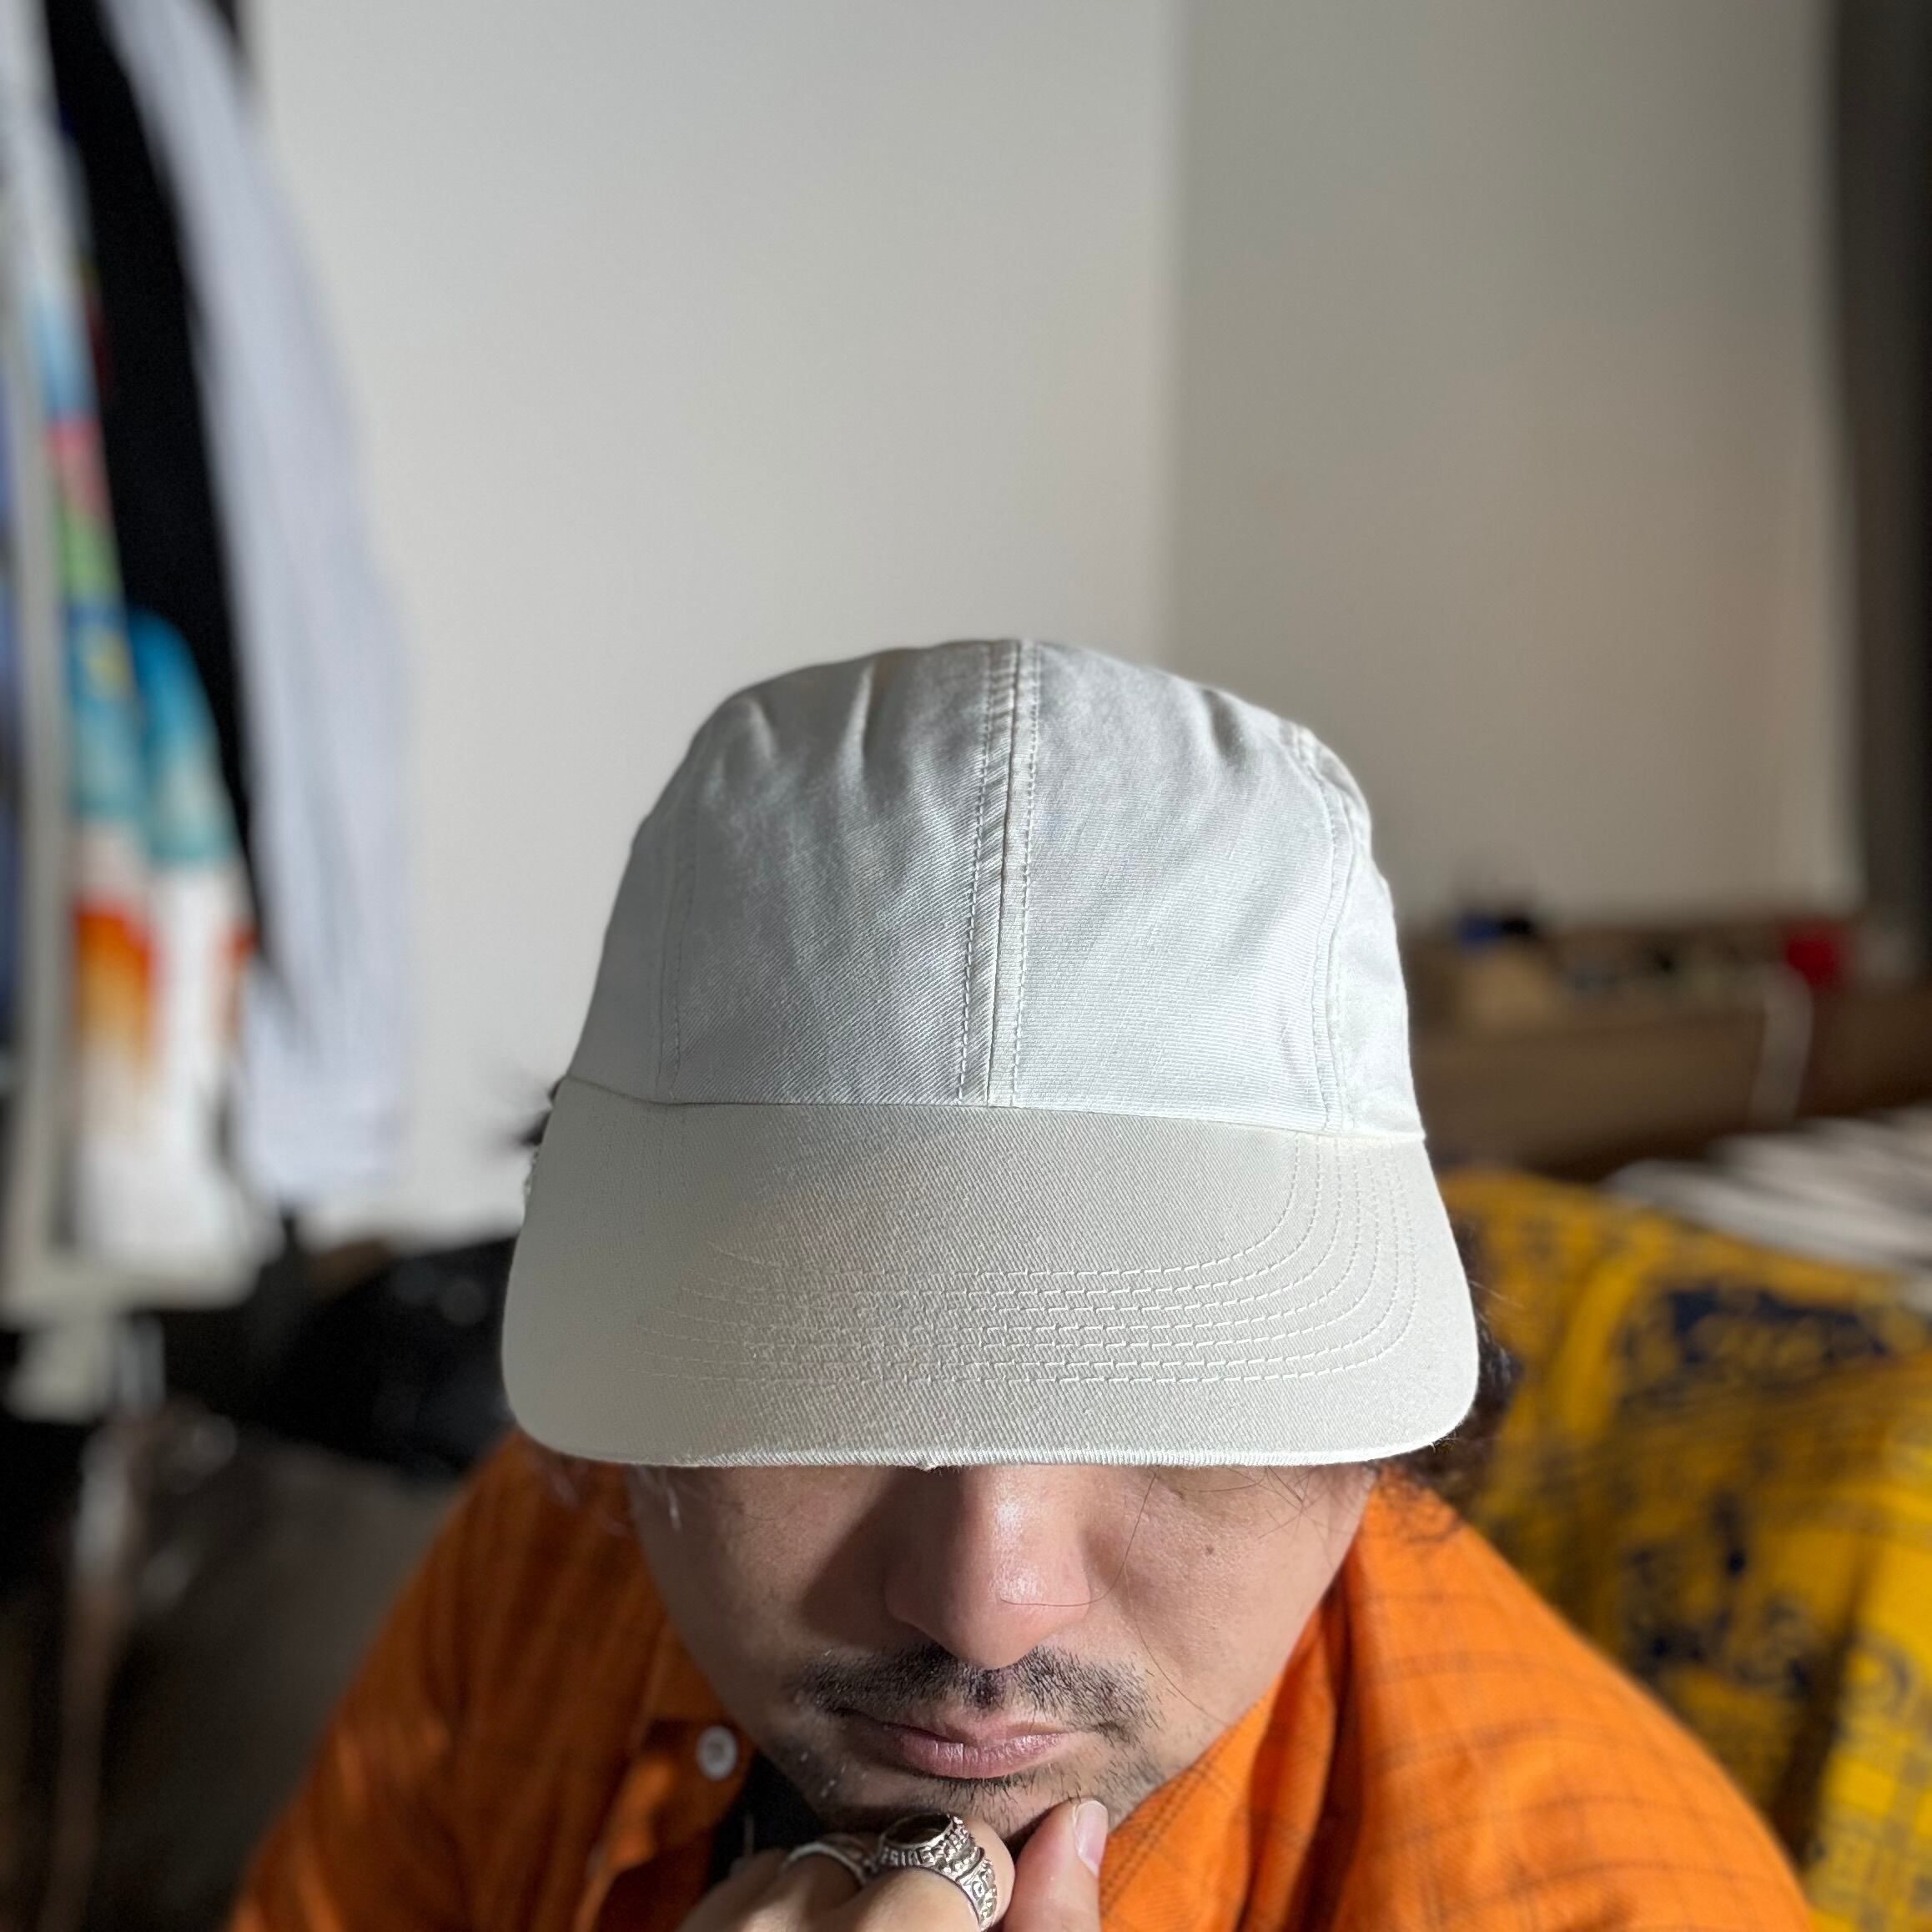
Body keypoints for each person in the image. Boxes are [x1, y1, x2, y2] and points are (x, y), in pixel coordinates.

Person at [230, 641, 1810, 1932]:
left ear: (1375, 1448)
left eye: (1178, 1396)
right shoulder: (553, 1550)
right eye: (818, 1377)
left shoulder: (1611, 1901)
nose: (985, 1604)